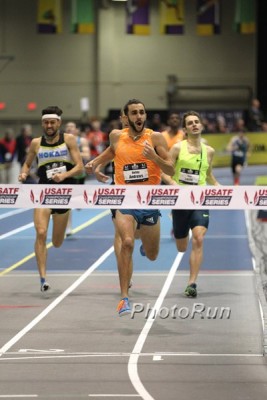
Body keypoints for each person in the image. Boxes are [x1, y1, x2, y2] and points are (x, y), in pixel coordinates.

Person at [86, 99, 174, 316]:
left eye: (142, 112)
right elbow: (111, 152)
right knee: (126, 242)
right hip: (124, 199)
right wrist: (95, 163)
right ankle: (124, 297)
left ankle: (145, 243)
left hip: (149, 201)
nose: (139, 116)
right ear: (127, 116)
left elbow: (170, 169)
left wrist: (154, 157)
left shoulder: (155, 137)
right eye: (134, 113)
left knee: (152, 255)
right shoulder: (117, 136)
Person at [18, 106, 84, 292]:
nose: (49, 125)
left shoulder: (69, 140)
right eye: (46, 122)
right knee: (40, 232)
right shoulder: (36, 143)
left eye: (52, 122)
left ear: (58, 123)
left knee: (57, 242)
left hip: (64, 194)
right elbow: (27, 163)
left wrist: (64, 176)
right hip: (43, 192)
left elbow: (80, 167)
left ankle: (56, 241)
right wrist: (23, 174)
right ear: (42, 123)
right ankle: (42, 278)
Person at [161, 110, 220, 298]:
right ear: (185, 129)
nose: (194, 124)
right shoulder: (178, 148)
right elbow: (164, 171)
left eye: (197, 121)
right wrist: (172, 183)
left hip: (199, 199)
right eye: (190, 123)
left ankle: (192, 283)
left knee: (199, 238)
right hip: (180, 201)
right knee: (181, 247)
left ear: (201, 126)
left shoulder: (209, 151)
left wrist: (220, 187)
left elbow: (208, 175)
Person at [65, 121, 90, 236]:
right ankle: (68, 227)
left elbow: (87, 155)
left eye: (72, 127)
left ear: (76, 130)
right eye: (68, 127)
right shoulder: (62, 141)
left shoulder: (82, 141)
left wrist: (73, 152)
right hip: (67, 173)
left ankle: (80, 200)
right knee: (68, 201)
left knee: (77, 200)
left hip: (79, 174)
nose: (70, 129)